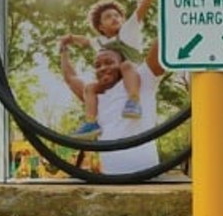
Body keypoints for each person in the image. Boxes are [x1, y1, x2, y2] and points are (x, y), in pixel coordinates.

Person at [58, 34, 164, 176]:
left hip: (147, 176)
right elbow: (70, 78)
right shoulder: (94, 98)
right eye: (97, 65)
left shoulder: (141, 80)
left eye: (109, 62)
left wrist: (172, 21)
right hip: (111, 178)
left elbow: (162, 45)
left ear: (121, 65)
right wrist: (63, 49)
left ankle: (133, 103)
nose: (102, 68)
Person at [83, 0, 158, 125]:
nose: (114, 18)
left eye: (117, 16)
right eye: (108, 17)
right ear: (101, 27)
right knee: (90, 88)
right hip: (114, 78)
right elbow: (85, 41)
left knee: (125, 65)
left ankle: (133, 102)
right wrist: (70, 39)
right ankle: (91, 122)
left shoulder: (127, 32)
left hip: (133, 73)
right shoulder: (101, 42)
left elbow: (141, 9)